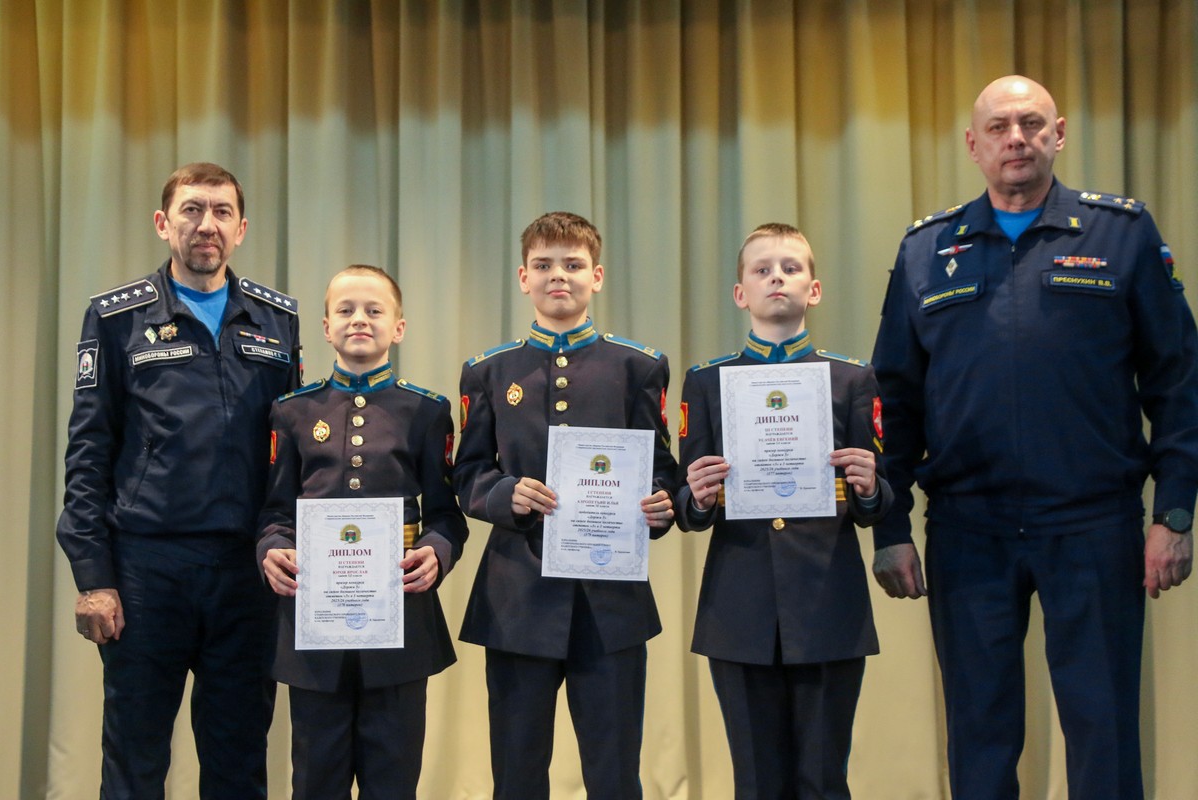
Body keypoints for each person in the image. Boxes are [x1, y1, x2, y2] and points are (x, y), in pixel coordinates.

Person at [870, 75, 1198, 799]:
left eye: (1030, 124)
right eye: (998, 127)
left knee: (1103, 730)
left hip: (1092, 523)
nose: (1015, 139)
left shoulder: (1121, 233)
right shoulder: (927, 250)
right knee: (979, 737)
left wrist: (1174, 513)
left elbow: (1177, 382)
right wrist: (890, 530)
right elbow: (894, 401)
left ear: (1059, 134)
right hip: (968, 529)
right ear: (973, 145)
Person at [56, 162, 301, 798]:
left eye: (222, 212)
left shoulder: (278, 319)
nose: (206, 225)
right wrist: (93, 577)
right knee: (135, 761)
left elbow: (293, 453)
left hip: (246, 573)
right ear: (164, 223)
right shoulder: (115, 317)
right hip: (146, 571)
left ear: (241, 229)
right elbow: (88, 451)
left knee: (238, 762)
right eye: (192, 210)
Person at [453, 211, 678, 799]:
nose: (559, 275)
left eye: (573, 264)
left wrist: (661, 504)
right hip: (516, 599)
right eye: (544, 265)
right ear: (523, 277)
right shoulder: (488, 371)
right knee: (517, 775)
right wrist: (504, 493)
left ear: (596, 276)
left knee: (614, 775)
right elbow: (468, 472)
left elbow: (660, 466)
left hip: (610, 601)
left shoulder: (637, 366)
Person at [677, 223, 892, 799]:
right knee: (756, 783)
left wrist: (870, 486)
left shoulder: (852, 379)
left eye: (791, 268)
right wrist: (696, 497)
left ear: (813, 290)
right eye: (762, 269)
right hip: (739, 606)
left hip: (827, 602)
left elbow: (877, 500)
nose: (777, 277)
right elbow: (686, 503)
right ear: (740, 292)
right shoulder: (707, 382)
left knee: (823, 779)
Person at [257, 265, 467, 799]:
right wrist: (272, 548)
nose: (359, 320)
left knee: (393, 781)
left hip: (399, 623)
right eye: (345, 310)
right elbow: (275, 511)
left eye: (374, 311)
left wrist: (436, 552)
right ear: (326, 327)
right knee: (316, 780)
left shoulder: (426, 411)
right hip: (314, 627)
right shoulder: (292, 411)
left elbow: (447, 515)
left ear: (398, 328)